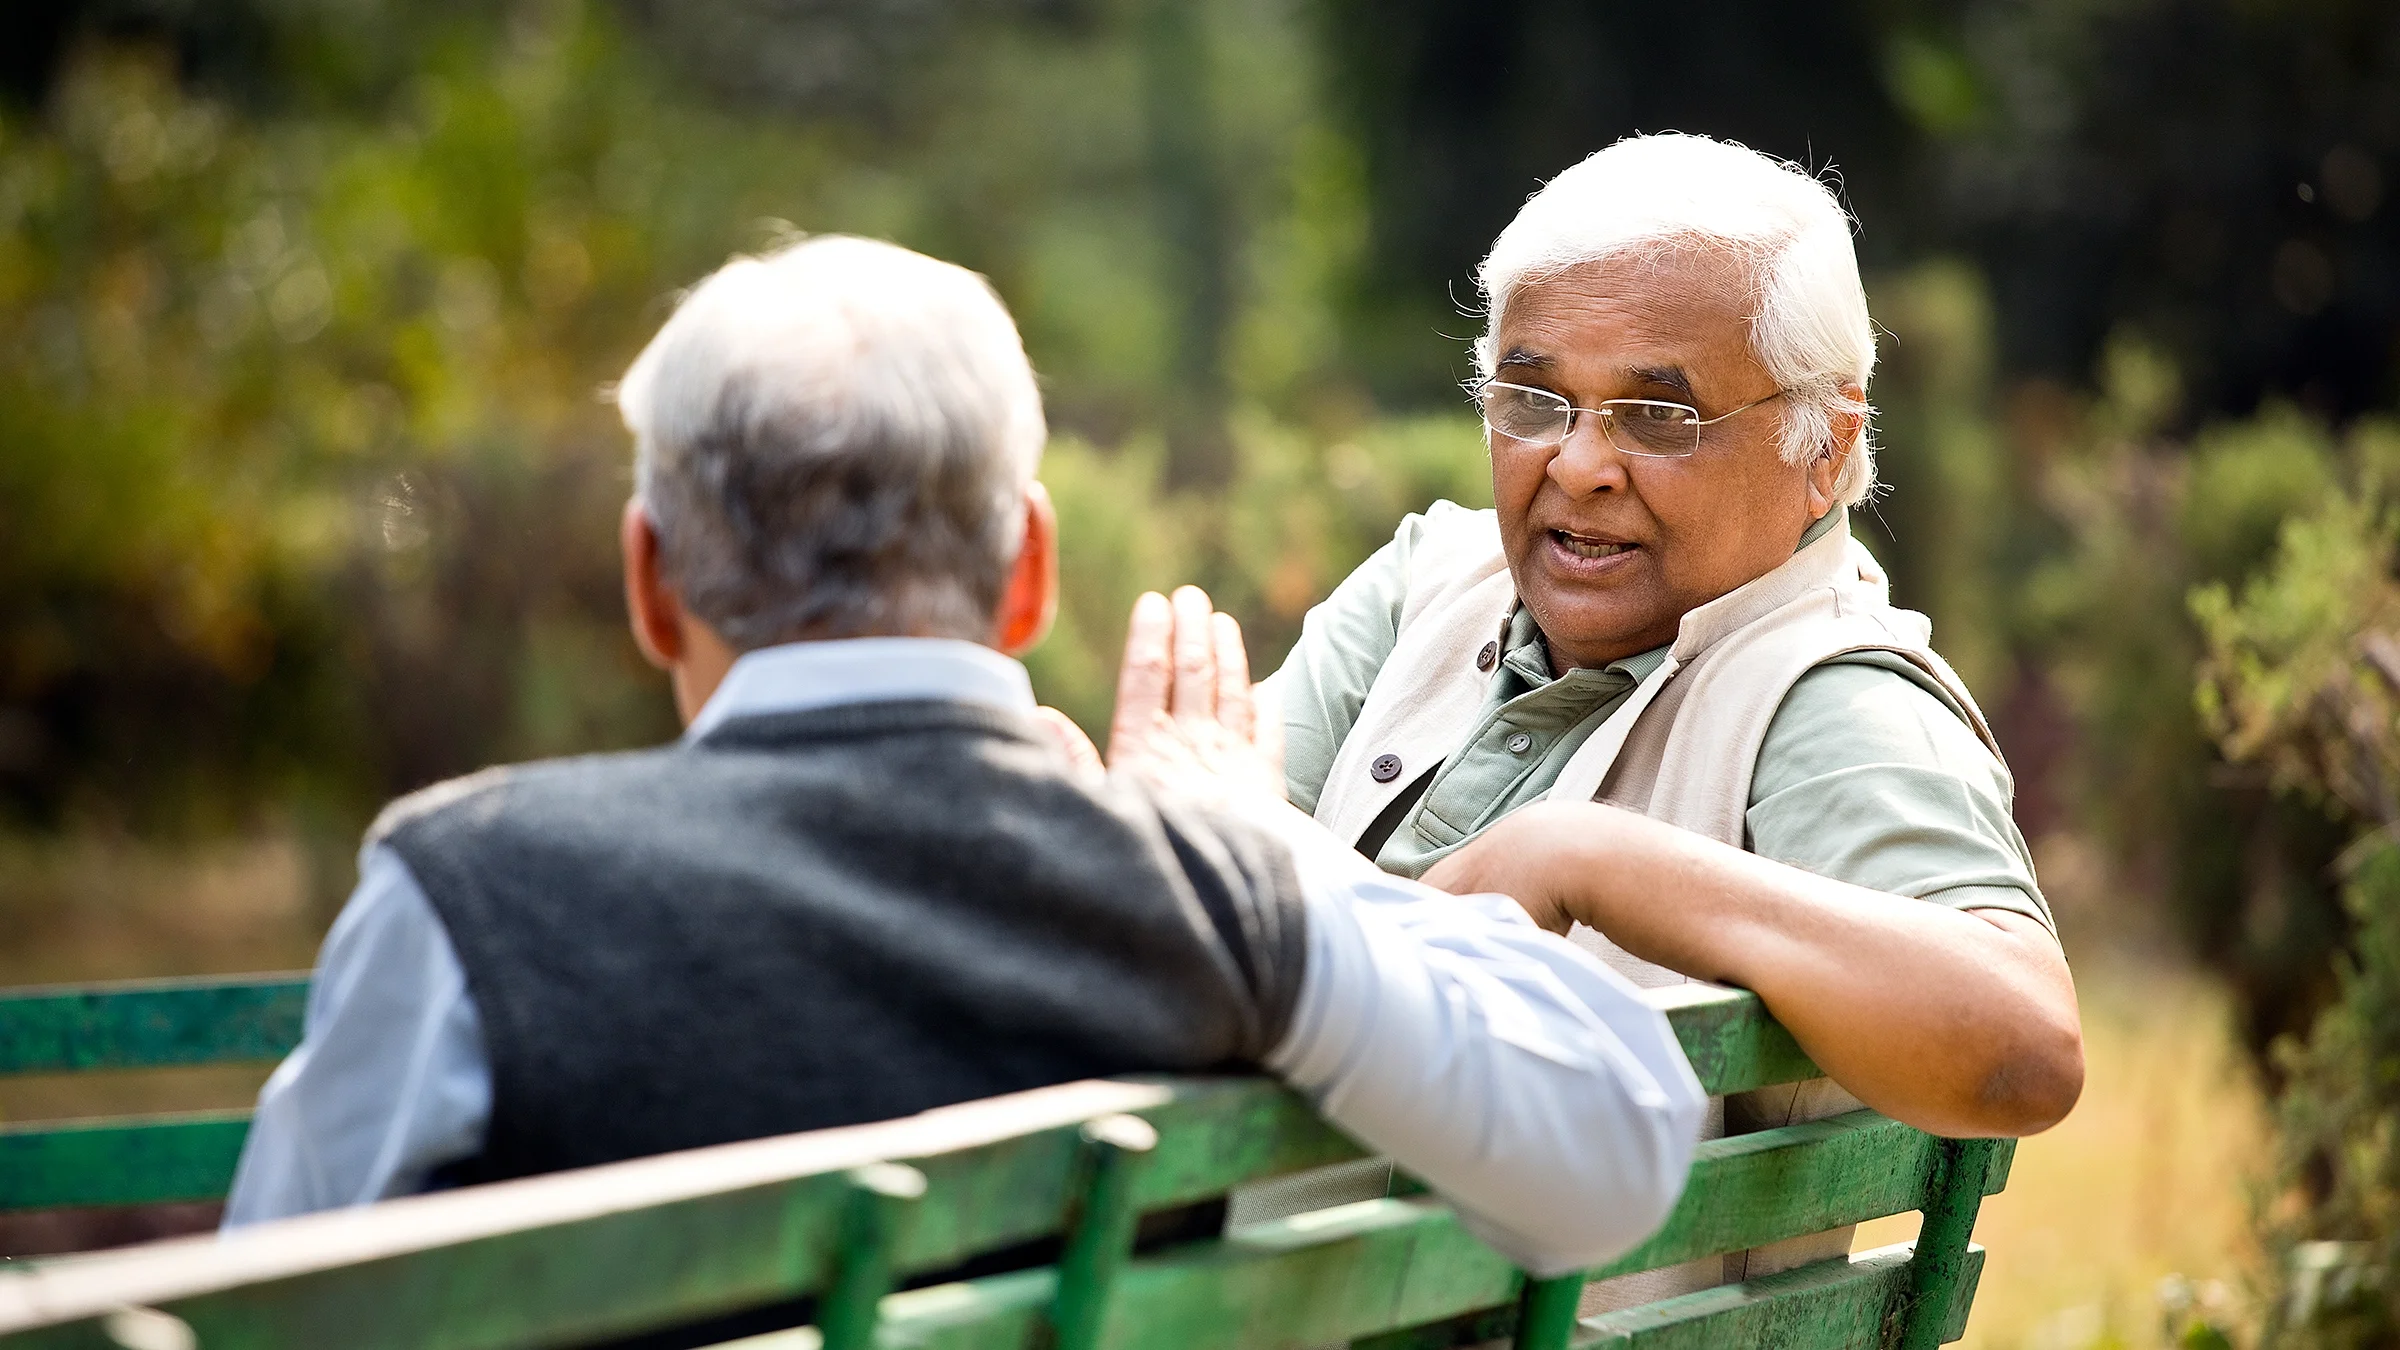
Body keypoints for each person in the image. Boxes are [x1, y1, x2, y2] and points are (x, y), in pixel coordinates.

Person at [221, 236, 1705, 1299]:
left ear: (650, 581)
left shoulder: (469, 898)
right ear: (1031, 575)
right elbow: (1623, 1141)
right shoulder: (1215, 907)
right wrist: (1246, 839)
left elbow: (251, 1302)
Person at [1213, 132, 2084, 1300]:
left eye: (1656, 419)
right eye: (1534, 400)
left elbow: (2024, 1041)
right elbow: (1210, 853)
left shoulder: (1827, 698)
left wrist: (1589, 857)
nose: (1577, 465)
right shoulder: (1432, 580)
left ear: (1823, 450)